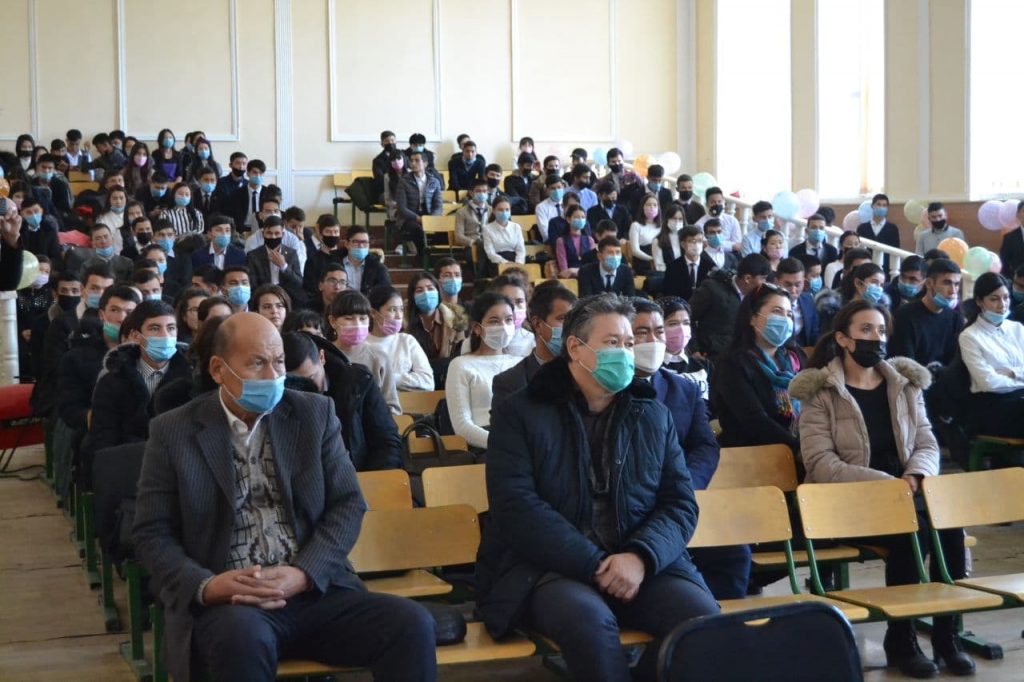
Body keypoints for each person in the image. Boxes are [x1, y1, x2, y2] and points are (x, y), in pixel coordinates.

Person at [132, 312, 436, 682]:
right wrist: (207, 586)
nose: (272, 375)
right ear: (218, 369)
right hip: (233, 602)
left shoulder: (314, 413)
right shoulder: (173, 431)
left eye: (278, 362)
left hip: (314, 590)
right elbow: (151, 533)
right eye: (257, 363)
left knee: (411, 624)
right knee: (241, 640)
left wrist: (304, 573)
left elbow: (347, 503)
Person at [477, 293, 718, 682]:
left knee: (704, 624)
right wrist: (594, 564)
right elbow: (516, 507)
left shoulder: (652, 414)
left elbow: (680, 504)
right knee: (589, 625)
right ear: (575, 348)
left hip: (643, 563)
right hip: (550, 568)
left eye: (628, 343)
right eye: (612, 343)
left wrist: (639, 557)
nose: (625, 353)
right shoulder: (520, 412)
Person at [789, 300, 972, 678]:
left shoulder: (905, 384)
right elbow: (821, 463)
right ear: (843, 339)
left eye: (882, 330)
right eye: (866, 330)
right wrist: (886, 486)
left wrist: (915, 476)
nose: (877, 338)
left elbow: (927, 442)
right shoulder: (820, 392)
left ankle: (947, 636)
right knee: (912, 533)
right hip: (847, 501)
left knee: (949, 529)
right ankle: (901, 639)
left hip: (906, 492)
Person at [630, 298, 748, 599]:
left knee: (735, 554)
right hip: (635, 504)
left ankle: (716, 624)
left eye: (658, 331)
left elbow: (705, 446)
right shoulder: (609, 391)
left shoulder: (684, 388)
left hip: (681, 495)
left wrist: (686, 485)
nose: (653, 340)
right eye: (641, 332)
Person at [81, 300, 189, 459]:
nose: (165, 336)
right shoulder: (113, 381)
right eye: (155, 328)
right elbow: (103, 438)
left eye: (171, 328)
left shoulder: (191, 378)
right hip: (127, 462)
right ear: (136, 336)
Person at [283, 331, 403, 471]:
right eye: (294, 383)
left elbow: (386, 441)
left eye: (310, 378)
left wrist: (367, 480)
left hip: (361, 473)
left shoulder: (358, 382)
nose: (303, 389)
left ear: (321, 358)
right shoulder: (277, 395)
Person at [712, 283, 805, 453]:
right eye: (777, 311)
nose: (785, 319)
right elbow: (754, 421)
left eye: (789, 314)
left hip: (801, 448)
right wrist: (799, 450)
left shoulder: (796, 358)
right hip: (751, 454)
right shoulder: (732, 363)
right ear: (752, 318)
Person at [445, 292, 522, 450]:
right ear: (477, 328)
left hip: (522, 442)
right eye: (494, 321)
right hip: (485, 446)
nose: (503, 327)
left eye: (508, 320)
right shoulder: (461, 365)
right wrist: (503, 445)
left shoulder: (521, 363)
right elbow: (462, 426)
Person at [958, 272, 1024, 438]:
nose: (1002, 305)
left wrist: (1012, 373)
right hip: (993, 407)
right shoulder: (969, 336)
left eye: (1006, 297)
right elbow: (988, 383)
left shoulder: (1017, 329)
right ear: (979, 301)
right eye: (994, 299)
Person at [491, 282, 577, 408]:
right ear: (537, 324)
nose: (571, 327)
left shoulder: (587, 374)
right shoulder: (510, 382)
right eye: (562, 318)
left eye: (575, 320)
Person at [327, 291, 400, 415]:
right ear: (333, 321)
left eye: (362, 318)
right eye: (349, 318)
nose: (357, 324)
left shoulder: (379, 357)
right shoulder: (323, 355)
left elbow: (392, 407)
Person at [689, 253, 770, 361]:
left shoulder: (758, 297)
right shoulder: (711, 289)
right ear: (747, 278)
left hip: (742, 357)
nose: (765, 283)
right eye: (763, 279)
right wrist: (694, 349)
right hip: (712, 356)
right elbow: (687, 317)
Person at [888, 259, 964, 369]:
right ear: (929, 283)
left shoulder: (956, 319)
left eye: (956, 284)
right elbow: (905, 366)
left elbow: (956, 364)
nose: (953, 291)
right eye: (947, 283)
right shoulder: (904, 316)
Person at [365, 286, 435, 391]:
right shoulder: (362, 344)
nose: (399, 316)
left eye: (401, 309)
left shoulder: (407, 341)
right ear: (374, 313)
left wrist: (390, 378)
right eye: (392, 310)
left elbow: (428, 382)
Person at [405, 272, 467, 388]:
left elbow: (460, 356)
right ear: (412, 296)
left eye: (430, 288)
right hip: (415, 384)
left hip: (448, 380)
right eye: (419, 290)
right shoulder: (403, 323)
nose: (426, 293)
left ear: (438, 292)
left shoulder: (455, 319)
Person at [246, 217, 306, 307]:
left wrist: (284, 266)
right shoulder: (253, 255)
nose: (273, 237)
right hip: (263, 297)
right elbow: (252, 285)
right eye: (269, 233)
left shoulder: (291, 253)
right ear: (263, 234)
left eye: (277, 233)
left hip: (287, 297)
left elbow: (299, 282)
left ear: (283, 234)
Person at [657, 297, 709, 400]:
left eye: (686, 323)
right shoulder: (652, 368)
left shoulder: (703, 365)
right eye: (673, 324)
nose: (681, 329)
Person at [395, 149, 443, 255]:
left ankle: (437, 257)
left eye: (417, 160)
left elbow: (438, 205)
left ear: (425, 163)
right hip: (409, 218)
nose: (413, 163)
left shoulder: (434, 181)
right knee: (417, 230)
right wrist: (419, 219)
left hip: (429, 215)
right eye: (411, 161)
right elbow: (402, 207)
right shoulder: (403, 181)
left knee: (444, 231)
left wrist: (431, 218)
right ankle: (422, 256)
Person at [662, 226, 717, 301]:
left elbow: (713, 293)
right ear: (683, 244)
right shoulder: (673, 267)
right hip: (681, 304)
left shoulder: (710, 266)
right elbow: (669, 293)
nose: (696, 244)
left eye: (699, 241)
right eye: (692, 241)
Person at [775, 258, 820, 348]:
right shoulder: (769, 305)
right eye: (787, 285)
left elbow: (815, 333)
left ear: (804, 282)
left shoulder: (808, 300)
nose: (793, 290)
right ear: (777, 282)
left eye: (798, 285)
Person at [65, 223, 134, 281]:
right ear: (93, 243)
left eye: (106, 237)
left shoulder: (127, 263)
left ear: (112, 239)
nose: (103, 241)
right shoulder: (87, 266)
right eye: (98, 238)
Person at [857, 193, 901, 272]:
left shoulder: (892, 229)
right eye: (878, 204)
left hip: (886, 269)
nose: (881, 208)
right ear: (872, 206)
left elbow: (895, 250)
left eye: (884, 205)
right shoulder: (862, 228)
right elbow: (859, 249)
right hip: (866, 268)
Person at [482, 197, 525, 274]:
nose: (504, 212)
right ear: (494, 211)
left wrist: (518, 262)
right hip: (497, 262)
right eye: (500, 210)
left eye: (507, 210)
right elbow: (490, 253)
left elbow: (521, 249)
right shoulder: (487, 229)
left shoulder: (516, 227)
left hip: (515, 261)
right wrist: (505, 263)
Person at [694, 187, 742, 253]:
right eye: (713, 202)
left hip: (730, 255)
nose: (717, 204)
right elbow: (706, 245)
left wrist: (716, 243)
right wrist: (731, 246)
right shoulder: (699, 225)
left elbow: (738, 245)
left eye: (719, 201)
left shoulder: (732, 221)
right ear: (707, 204)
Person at [554, 205, 594, 278]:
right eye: (577, 217)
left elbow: (593, 265)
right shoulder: (561, 241)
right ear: (568, 219)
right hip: (569, 278)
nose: (580, 220)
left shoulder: (590, 240)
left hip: (588, 277)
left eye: (583, 217)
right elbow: (564, 270)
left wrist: (574, 271)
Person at [628, 193, 661, 275]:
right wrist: (652, 259)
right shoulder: (636, 225)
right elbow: (635, 251)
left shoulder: (662, 226)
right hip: (643, 262)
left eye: (655, 205)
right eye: (649, 205)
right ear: (643, 207)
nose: (652, 207)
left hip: (660, 262)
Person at [651, 203, 686, 273]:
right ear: (667, 219)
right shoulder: (658, 241)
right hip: (668, 275)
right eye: (674, 218)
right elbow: (659, 266)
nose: (677, 221)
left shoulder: (687, 238)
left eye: (680, 219)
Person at [535, 175, 567, 242]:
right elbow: (545, 232)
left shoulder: (568, 203)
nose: (557, 191)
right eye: (553, 188)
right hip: (551, 241)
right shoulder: (541, 207)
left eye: (559, 187)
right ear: (547, 190)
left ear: (563, 187)